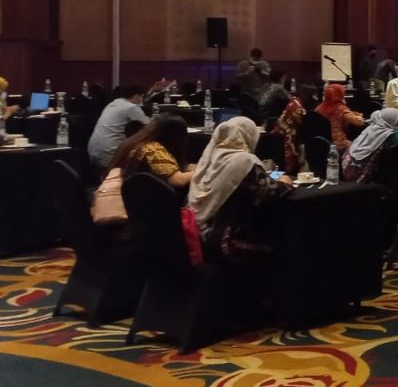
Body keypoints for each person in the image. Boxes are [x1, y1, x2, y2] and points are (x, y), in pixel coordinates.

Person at [189, 117, 292, 265]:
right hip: (226, 240)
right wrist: (285, 183)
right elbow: (272, 191)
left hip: (198, 234)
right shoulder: (244, 161)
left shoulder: (210, 157)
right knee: (281, 238)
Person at [106, 113, 194, 187]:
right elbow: (178, 180)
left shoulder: (139, 141)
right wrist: (199, 173)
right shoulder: (153, 149)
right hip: (133, 197)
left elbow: (176, 166)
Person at [87, 85, 152, 169]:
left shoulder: (113, 103)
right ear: (136, 96)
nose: (141, 100)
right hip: (110, 155)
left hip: (93, 152)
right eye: (142, 97)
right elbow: (149, 127)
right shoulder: (131, 107)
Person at [341, 107, 398, 183]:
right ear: (391, 121)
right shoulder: (388, 135)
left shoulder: (373, 126)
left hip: (347, 164)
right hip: (362, 173)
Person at [271, 84, 315, 175]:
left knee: (279, 165)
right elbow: (308, 125)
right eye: (311, 95)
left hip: (280, 136)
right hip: (286, 138)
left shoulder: (294, 101)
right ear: (305, 94)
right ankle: (283, 179)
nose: (314, 98)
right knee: (285, 167)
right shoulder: (298, 108)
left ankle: (279, 178)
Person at [315, 83, 364, 150]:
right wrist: (360, 115)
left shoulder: (318, 108)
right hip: (339, 144)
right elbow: (359, 122)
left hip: (321, 143)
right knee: (360, 146)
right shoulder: (341, 108)